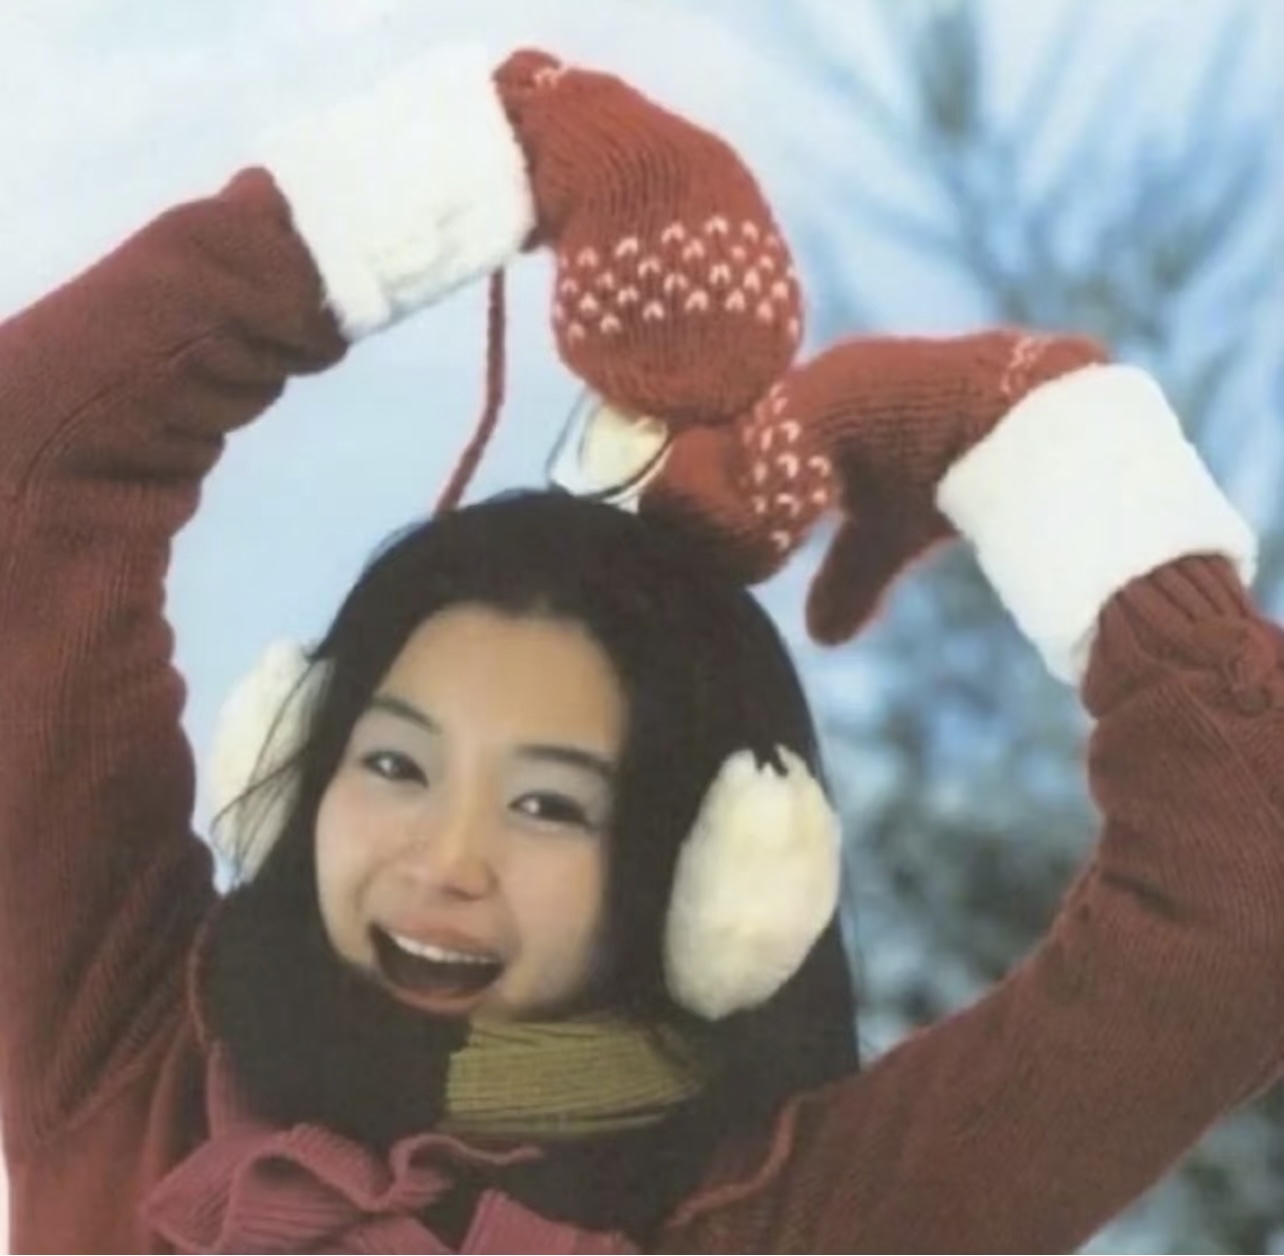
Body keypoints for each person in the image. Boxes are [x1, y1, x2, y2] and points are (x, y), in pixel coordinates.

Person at [0, 41, 1281, 1256]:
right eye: (395, 764)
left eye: (550, 803)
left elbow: (1246, 898)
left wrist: (1031, 450)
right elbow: (36, 466)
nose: (446, 860)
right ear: (297, 755)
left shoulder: (806, 1218)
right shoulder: (127, 1050)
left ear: (704, 873)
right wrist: (507, 151)